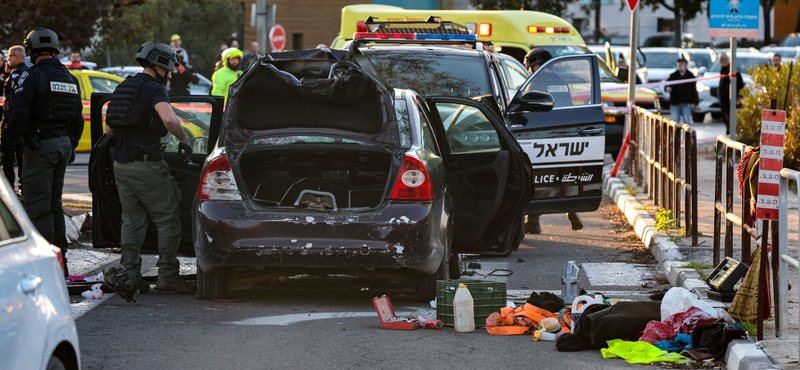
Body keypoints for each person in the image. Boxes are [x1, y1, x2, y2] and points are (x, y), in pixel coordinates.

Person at [102, 41, 196, 302]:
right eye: (170, 69)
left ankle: (131, 276)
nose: (170, 74)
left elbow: (109, 131)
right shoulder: (155, 89)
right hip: (147, 165)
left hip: (121, 165)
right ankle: (168, 277)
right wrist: (185, 141)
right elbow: (168, 119)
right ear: (160, 65)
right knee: (167, 218)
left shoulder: (123, 87)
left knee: (132, 221)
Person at [5, 28, 84, 276]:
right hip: (62, 145)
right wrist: (71, 143)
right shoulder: (70, 78)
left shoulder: (32, 76)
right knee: (55, 205)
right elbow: (78, 119)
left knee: (39, 207)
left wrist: (5, 145)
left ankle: (48, 268)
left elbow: (19, 114)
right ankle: (62, 264)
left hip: (40, 147)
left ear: (31, 49)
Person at [521, 48, 583, 234]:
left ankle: (533, 222)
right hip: (562, 134)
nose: (531, 71)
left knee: (536, 179)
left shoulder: (536, 82)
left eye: (531, 67)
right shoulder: (561, 81)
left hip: (541, 135)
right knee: (563, 176)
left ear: (537, 65)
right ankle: (572, 210)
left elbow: (527, 108)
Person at [1, 46, 29, 193]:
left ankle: (9, 192)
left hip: (11, 120)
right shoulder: (25, 72)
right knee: (22, 159)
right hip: (20, 121)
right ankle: (23, 189)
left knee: (8, 158)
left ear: (17, 57)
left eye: (10, 56)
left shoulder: (16, 74)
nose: (8, 59)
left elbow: (12, 101)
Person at [665, 57, 699, 124]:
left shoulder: (690, 76)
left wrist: (696, 102)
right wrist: (667, 88)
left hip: (686, 103)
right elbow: (666, 84)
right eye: (679, 63)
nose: (680, 64)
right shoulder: (673, 75)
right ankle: (675, 135)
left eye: (682, 63)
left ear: (686, 64)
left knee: (686, 122)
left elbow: (694, 90)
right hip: (675, 102)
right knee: (674, 122)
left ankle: (687, 135)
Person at [718, 53, 743, 135]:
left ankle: (731, 134)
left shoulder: (732, 70)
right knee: (726, 118)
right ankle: (729, 134)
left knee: (730, 118)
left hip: (730, 100)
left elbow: (740, 84)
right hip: (724, 99)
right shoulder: (724, 70)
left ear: (720, 61)